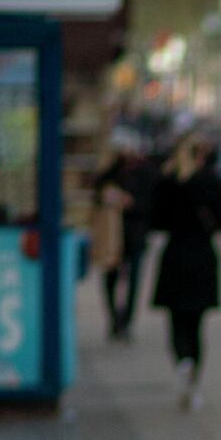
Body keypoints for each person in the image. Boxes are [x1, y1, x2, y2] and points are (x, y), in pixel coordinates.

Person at [149, 134, 221, 412]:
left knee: (176, 318)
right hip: (202, 254)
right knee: (197, 321)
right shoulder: (212, 181)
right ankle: (193, 373)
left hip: (174, 254)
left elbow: (155, 220)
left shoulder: (167, 182)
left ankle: (182, 360)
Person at [92, 132, 154, 342]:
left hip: (134, 233)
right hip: (112, 235)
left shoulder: (144, 171)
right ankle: (114, 318)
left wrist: (131, 203)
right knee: (110, 278)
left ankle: (126, 320)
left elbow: (151, 204)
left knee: (133, 280)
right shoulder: (112, 171)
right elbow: (97, 190)